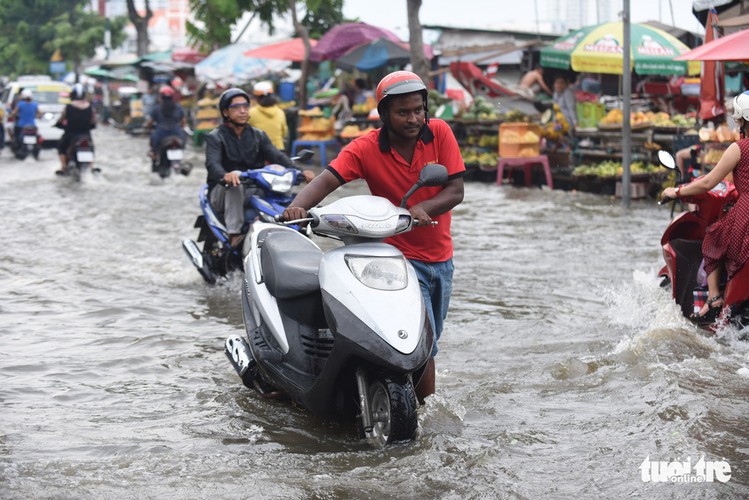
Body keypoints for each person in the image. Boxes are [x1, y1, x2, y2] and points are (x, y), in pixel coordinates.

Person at [282, 71, 466, 402]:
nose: (414, 119)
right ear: (384, 115)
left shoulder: (439, 132)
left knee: (429, 342)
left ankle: (418, 408)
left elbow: (455, 190)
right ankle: (410, 409)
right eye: (403, 112)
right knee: (418, 343)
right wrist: (296, 207)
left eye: (419, 110)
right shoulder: (365, 147)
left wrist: (423, 207)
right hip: (396, 260)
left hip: (441, 259)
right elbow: (327, 180)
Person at [661, 91, 749, 324]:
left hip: (746, 210)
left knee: (713, 238)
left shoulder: (738, 148)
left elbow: (709, 182)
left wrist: (675, 191)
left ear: (741, 120)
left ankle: (714, 299)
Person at [205, 88, 315, 248]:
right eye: (236, 107)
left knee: (282, 187)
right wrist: (225, 175)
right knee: (235, 183)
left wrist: (300, 171)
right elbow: (212, 164)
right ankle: (234, 233)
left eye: (245, 106)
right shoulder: (215, 137)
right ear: (226, 112)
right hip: (223, 190)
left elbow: (276, 156)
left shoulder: (258, 135)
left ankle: (290, 226)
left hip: (253, 189)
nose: (242, 111)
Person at [56, 83, 97, 176]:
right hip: (86, 134)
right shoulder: (90, 107)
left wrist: (58, 124)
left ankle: (63, 167)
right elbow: (93, 121)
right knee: (91, 147)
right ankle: (91, 166)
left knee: (61, 146)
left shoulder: (68, 107)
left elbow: (61, 120)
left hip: (71, 135)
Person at [146, 85, 186, 159]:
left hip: (161, 134)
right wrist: (180, 127)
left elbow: (149, 122)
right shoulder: (179, 108)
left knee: (153, 149)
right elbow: (183, 122)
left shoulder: (156, 109)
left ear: (161, 97)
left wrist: (148, 127)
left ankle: (154, 154)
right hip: (177, 133)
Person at [248, 81, 288, 151]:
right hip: (278, 151)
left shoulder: (251, 113)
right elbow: (284, 133)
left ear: (257, 98)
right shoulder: (280, 112)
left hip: (259, 151)